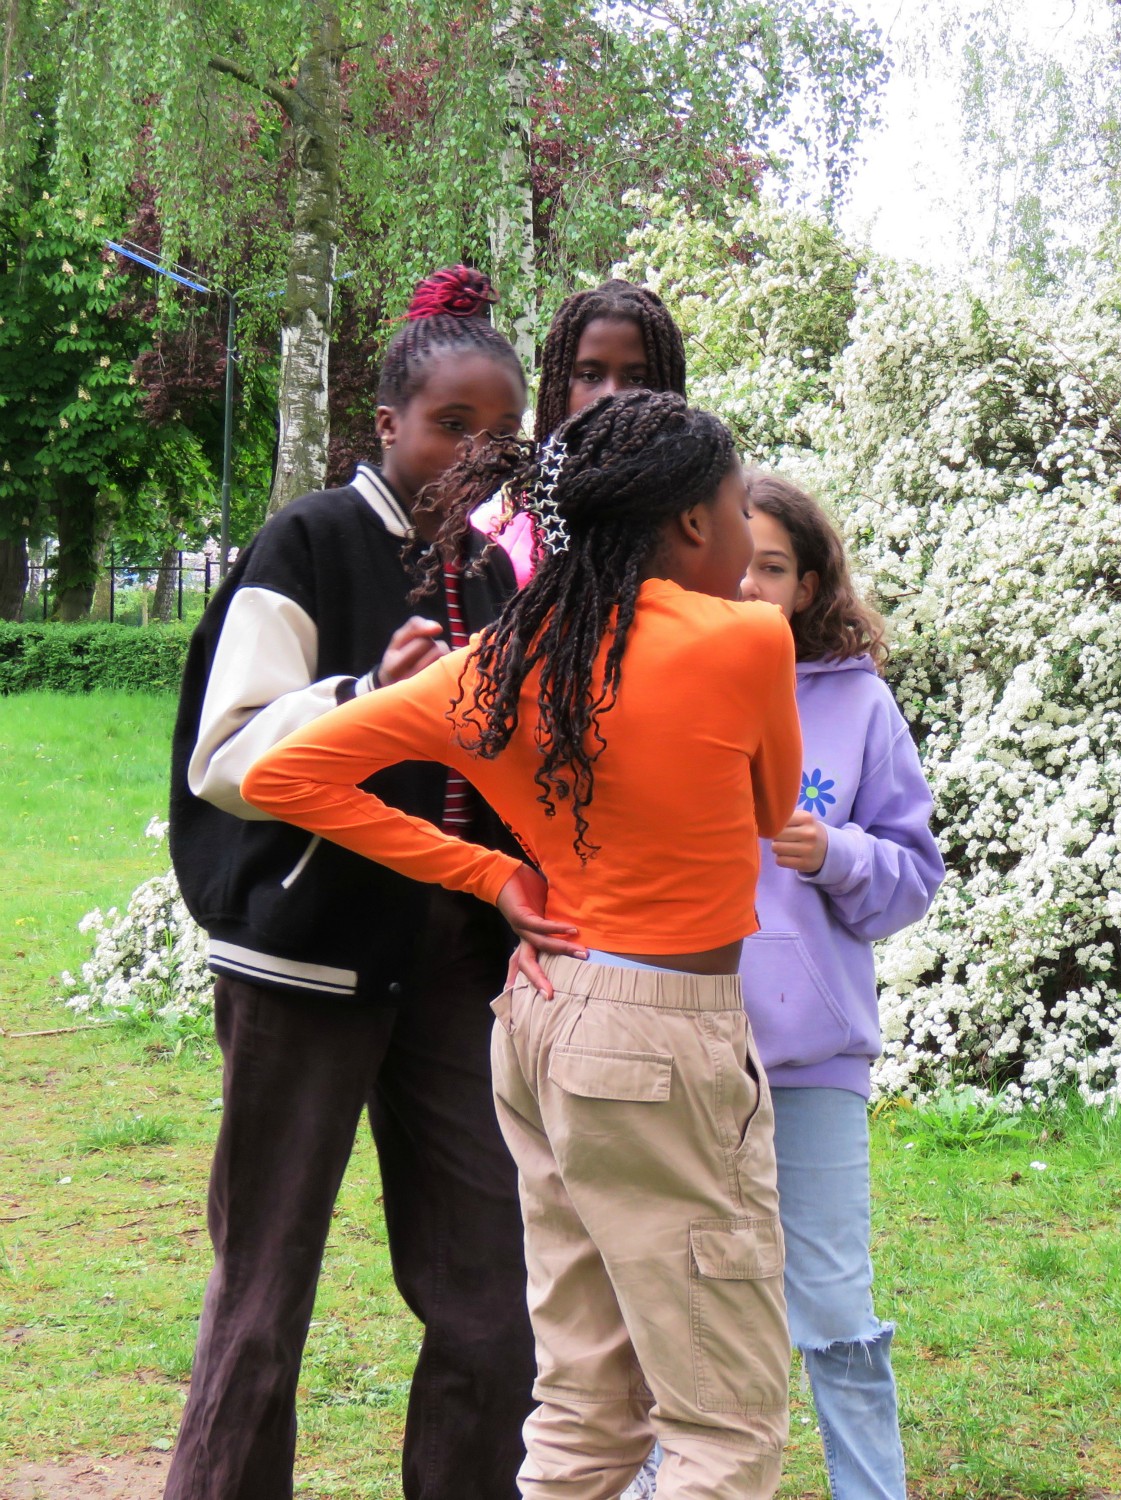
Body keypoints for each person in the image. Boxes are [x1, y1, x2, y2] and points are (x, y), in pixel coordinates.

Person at [242, 389, 802, 1500]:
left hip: (542, 1019)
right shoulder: (746, 639)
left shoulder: (492, 662)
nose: (748, 541)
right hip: (663, 1038)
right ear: (692, 523)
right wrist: (491, 870)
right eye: (739, 510)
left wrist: (494, 874)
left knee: (583, 1406)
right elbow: (768, 808)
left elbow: (280, 774)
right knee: (723, 1427)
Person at [164, 265, 536, 1500]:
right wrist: (374, 699)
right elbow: (226, 756)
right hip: (307, 959)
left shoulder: (493, 580)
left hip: (453, 971)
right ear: (387, 425)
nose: (474, 455)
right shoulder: (310, 541)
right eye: (451, 426)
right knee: (263, 1296)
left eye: (500, 435)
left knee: (495, 1300)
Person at [729, 471, 943, 1498]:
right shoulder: (667, 678)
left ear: (809, 583)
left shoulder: (857, 706)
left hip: (813, 1058)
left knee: (834, 1310)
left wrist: (836, 854)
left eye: (772, 566)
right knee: (678, 1312)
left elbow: (911, 879)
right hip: (684, 1047)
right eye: (734, 561)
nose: (749, 583)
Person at [471, 278, 689, 584]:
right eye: (590, 375)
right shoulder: (496, 531)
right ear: (558, 387)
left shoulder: (697, 519)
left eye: (637, 379)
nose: (611, 396)